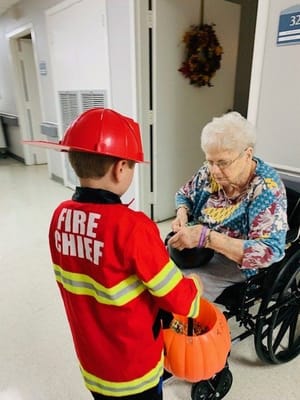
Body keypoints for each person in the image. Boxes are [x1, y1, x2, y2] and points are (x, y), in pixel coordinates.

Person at [26, 108, 202, 400]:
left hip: (94, 364)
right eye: (133, 166)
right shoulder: (133, 228)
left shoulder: (59, 217)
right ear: (120, 168)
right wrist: (195, 287)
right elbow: (176, 297)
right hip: (135, 371)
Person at [167, 111, 288, 302]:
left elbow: (269, 251)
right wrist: (182, 214)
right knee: (153, 270)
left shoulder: (266, 189)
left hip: (233, 261)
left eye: (223, 163)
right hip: (199, 248)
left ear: (247, 155)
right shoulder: (209, 171)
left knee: (178, 292)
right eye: (210, 161)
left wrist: (207, 238)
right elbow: (185, 194)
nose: (214, 171)